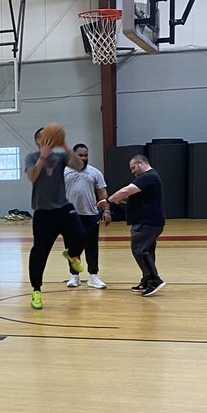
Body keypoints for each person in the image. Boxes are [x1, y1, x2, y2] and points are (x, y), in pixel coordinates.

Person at [24, 126, 86, 310]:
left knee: (82, 234)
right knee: (39, 253)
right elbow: (32, 177)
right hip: (43, 212)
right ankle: (36, 290)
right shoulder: (32, 157)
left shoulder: (61, 157)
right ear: (38, 140)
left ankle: (72, 254)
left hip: (63, 207)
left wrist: (65, 145)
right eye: (45, 138)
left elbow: (79, 165)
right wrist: (43, 157)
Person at [104, 153, 166, 296]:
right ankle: (146, 281)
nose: (132, 171)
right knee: (147, 251)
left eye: (133, 168)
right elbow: (137, 198)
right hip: (151, 222)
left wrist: (109, 200)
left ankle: (154, 280)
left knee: (139, 250)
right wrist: (123, 201)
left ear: (140, 163)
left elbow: (127, 190)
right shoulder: (148, 178)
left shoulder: (148, 176)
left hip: (147, 222)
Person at [64, 143, 110, 289]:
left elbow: (102, 192)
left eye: (86, 155)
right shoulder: (63, 172)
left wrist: (107, 210)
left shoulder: (94, 172)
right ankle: (74, 276)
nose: (84, 158)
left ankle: (93, 276)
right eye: (80, 155)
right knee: (72, 247)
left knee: (91, 246)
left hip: (90, 214)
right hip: (70, 216)